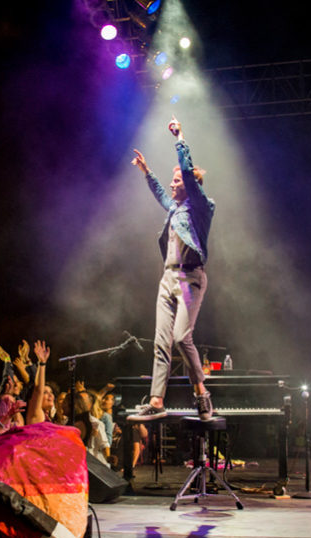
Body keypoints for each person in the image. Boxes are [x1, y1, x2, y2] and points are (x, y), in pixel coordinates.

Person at [128, 117, 216, 422]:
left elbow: (187, 176)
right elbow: (161, 195)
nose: (172, 184)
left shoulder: (201, 207)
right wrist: (147, 172)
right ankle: (156, 400)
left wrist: (180, 137)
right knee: (161, 340)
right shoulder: (175, 209)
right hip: (168, 277)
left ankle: (202, 394)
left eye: (176, 181)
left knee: (181, 337)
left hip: (190, 278)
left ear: (190, 186)